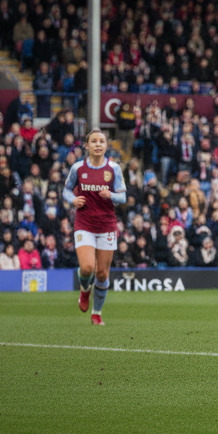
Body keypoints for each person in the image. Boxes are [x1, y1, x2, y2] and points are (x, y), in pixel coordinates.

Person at [63, 129, 126, 325]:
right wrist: (73, 199)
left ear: (106, 146)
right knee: (88, 267)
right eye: (94, 141)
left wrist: (111, 196)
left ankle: (96, 312)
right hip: (85, 223)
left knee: (102, 273)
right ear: (87, 145)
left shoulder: (114, 168)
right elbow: (65, 190)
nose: (98, 144)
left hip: (107, 225)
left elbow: (123, 197)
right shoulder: (78, 168)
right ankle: (84, 291)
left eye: (102, 141)